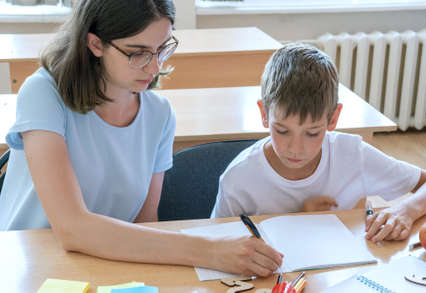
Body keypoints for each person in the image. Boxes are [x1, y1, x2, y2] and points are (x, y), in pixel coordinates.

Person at [0, 0, 282, 277]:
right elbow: (72, 227)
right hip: (29, 262)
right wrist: (209, 250)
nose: (154, 67)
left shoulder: (159, 114)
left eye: (162, 49)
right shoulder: (43, 93)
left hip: (106, 262)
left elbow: (146, 226)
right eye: (138, 53)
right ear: (95, 44)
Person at [211, 43, 426, 243]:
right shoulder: (238, 179)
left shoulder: (351, 154)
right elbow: (217, 244)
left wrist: (406, 210)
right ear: (264, 114)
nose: (295, 148)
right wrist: (299, 221)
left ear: (333, 118)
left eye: (312, 133)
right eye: (282, 130)